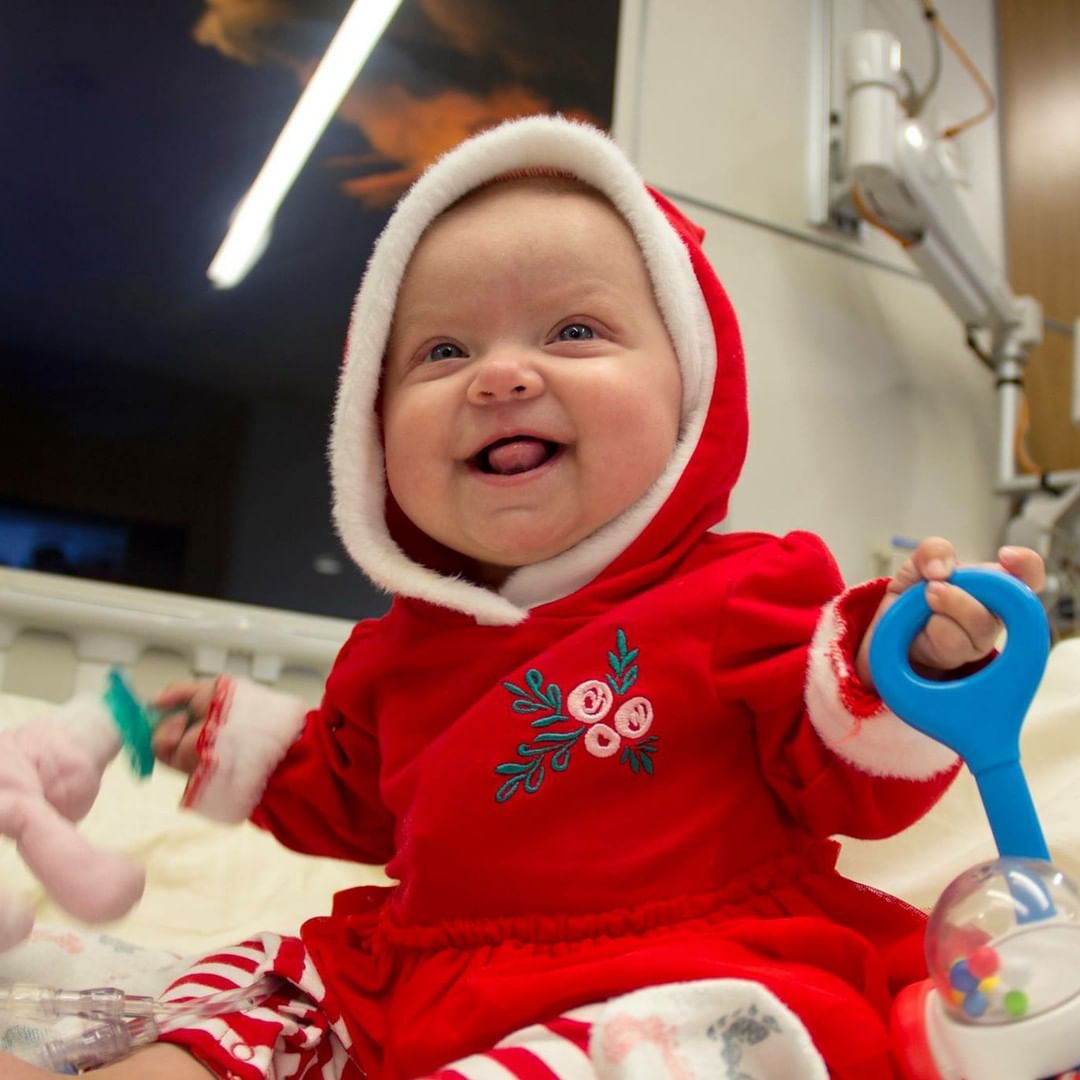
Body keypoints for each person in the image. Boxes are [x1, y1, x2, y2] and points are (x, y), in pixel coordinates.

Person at [0, 116, 1045, 1080]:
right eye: (443, 351)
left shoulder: (748, 589)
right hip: (420, 968)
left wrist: (914, 667)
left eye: (574, 332)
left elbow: (843, 776)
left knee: (702, 1044)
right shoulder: (396, 651)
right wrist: (239, 744)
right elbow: (362, 797)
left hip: (673, 968)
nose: (500, 377)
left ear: (689, 387)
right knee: (266, 990)